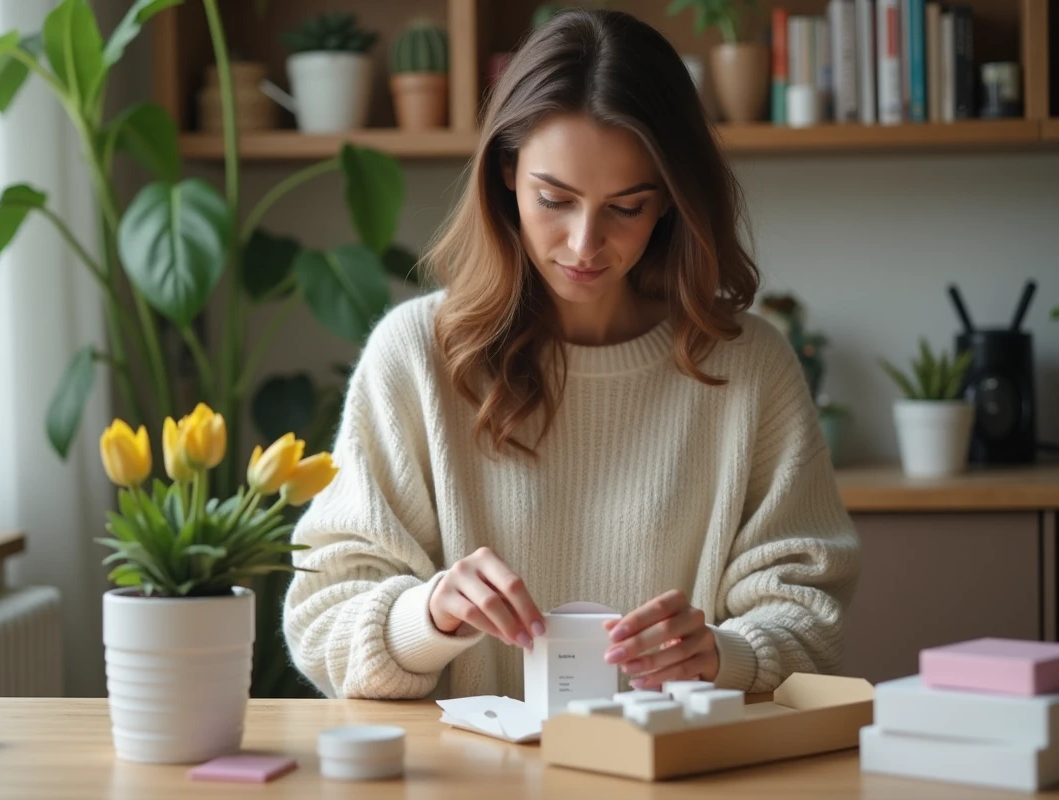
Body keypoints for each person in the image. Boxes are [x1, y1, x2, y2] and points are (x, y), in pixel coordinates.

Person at [282, 8, 860, 702]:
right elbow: (321, 623)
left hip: (677, 775)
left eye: (626, 207)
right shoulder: (415, 358)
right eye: (554, 199)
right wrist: (430, 613)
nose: (585, 244)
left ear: (671, 203)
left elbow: (809, 620)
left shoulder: (749, 368)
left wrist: (721, 656)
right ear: (506, 173)